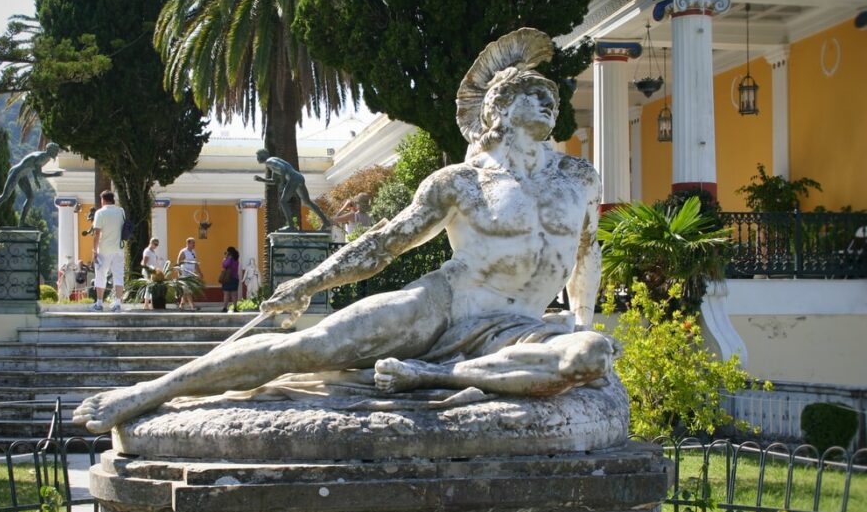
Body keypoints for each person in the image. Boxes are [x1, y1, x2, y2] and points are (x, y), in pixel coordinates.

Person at [73, 28, 614, 434]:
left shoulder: (579, 179)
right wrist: (306, 286)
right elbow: (382, 245)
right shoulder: (462, 183)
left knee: (588, 355)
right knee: (309, 346)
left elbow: (587, 254)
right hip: (443, 305)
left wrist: (580, 319)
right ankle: (150, 391)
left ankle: (433, 378)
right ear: (499, 108)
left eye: (549, 92)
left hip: (516, 331)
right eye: (530, 90)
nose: (547, 99)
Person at [0, 142, 61, 225]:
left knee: (30, 197)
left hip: (23, 175)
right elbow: (39, 172)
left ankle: (22, 222)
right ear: (51, 150)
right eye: (56, 151)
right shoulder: (43, 157)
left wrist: (35, 180)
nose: (57, 153)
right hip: (16, 173)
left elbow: (35, 168)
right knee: (5, 196)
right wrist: (54, 174)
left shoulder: (45, 157)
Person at [254, 151, 332, 231]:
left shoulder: (269, 161)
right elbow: (275, 181)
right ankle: (326, 222)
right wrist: (262, 180)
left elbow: (282, 168)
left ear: (262, 156)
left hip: (293, 179)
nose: (257, 159)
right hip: (298, 177)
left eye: (257, 156)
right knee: (307, 202)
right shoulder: (272, 163)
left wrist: (283, 182)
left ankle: (291, 227)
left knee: (283, 201)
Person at [90, 190, 126, 313]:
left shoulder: (100, 213)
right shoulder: (121, 211)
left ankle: (99, 304)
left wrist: (94, 250)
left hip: (104, 249)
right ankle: (117, 304)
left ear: (103, 200)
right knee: (118, 276)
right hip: (119, 249)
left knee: (100, 276)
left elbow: (97, 233)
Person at [176, 237, 202, 310]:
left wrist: (200, 272)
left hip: (191, 274)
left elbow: (195, 263)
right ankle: (192, 306)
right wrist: (179, 272)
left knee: (186, 290)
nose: (194, 244)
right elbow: (178, 262)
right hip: (184, 274)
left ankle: (181, 305)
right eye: (192, 243)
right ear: (188, 243)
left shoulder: (193, 252)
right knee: (187, 290)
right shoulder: (183, 252)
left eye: (194, 243)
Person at [140, 238, 163, 310]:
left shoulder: (152, 251)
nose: (156, 246)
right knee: (149, 288)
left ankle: (148, 304)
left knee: (150, 288)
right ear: (151, 243)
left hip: (152, 272)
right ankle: (146, 305)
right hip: (148, 272)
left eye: (157, 244)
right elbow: (144, 263)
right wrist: (149, 272)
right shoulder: (147, 251)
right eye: (155, 244)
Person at [220, 246, 240, 312]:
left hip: (228, 278)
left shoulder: (230, 258)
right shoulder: (236, 259)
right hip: (235, 278)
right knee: (234, 294)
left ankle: (225, 308)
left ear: (229, 252)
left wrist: (225, 259)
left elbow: (225, 265)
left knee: (226, 294)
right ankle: (235, 308)